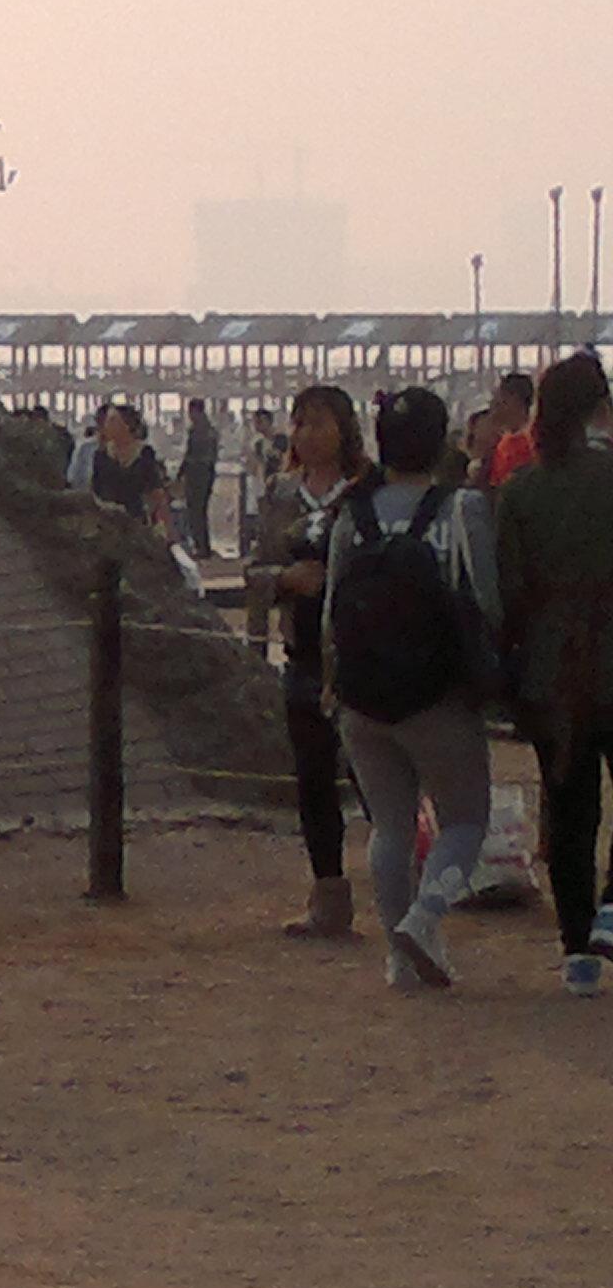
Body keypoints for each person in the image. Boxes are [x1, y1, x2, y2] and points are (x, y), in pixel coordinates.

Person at [322, 386, 499, 991]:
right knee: (466, 821)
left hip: (362, 697)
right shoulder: (459, 509)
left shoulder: (354, 513)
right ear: (441, 441)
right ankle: (426, 916)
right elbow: (487, 600)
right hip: (437, 695)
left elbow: (332, 610)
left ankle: (398, 959)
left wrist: (334, 683)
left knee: (390, 827)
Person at [493, 350, 613, 993]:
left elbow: (509, 595)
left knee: (569, 812)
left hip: (551, 672)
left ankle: (577, 951)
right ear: (602, 407)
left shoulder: (521, 491)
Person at [248, 384, 367, 940]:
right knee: (314, 782)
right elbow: (256, 570)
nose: (308, 434)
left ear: (345, 429)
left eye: (320, 423)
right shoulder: (280, 494)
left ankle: (406, 884)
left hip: (365, 653)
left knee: (376, 780)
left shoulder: (366, 490)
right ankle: (328, 896)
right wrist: (284, 580)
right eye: (300, 423)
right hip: (303, 657)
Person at [85, 402, 174, 538]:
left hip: (136, 523)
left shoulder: (144, 453)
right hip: (106, 523)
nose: (106, 425)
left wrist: (166, 529)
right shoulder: (101, 455)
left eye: (112, 420)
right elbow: (94, 491)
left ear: (127, 425)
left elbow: (157, 494)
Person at [177, 398, 223, 556]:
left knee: (195, 511)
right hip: (206, 474)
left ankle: (201, 546)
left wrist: (181, 472)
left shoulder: (198, 431)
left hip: (197, 474)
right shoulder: (211, 430)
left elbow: (190, 454)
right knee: (200, 511)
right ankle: (203, 545)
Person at [481, 369, 540, 489]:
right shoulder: (501, 442)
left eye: (502, 399)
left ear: (515, 399)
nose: (496, 405)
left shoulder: (533, 441)